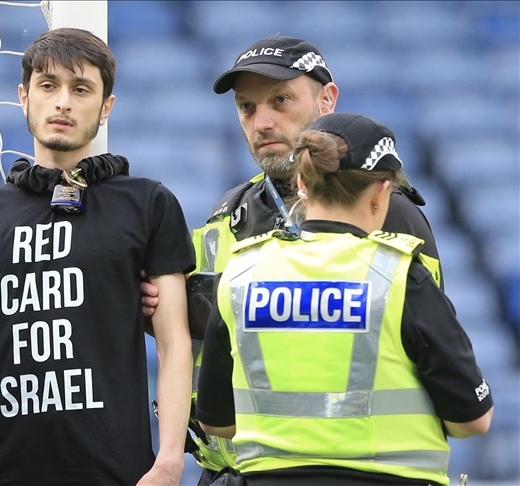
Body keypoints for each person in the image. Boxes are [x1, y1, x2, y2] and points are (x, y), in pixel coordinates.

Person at [139, 35, 445, 483]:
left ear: (327, 99)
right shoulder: (227, 212)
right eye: (247, 108)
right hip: (225, 473)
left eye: (280, 100)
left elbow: (433, 351)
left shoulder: (387, 212)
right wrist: (161, 309)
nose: (262, 122)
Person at [0, 28, 194, 486]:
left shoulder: (147, 203)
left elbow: (174, 341)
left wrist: (170, 458)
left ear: (106, 107)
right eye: (48, 85)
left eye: (81, 90)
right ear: (24, 96)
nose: (63, 102)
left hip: (113, 470)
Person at [196, 112, 494, 486]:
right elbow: (472, 420)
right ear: (381, 192)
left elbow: (216, 422)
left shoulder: (241, 273)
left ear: (301, 184)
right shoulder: (401, 276)